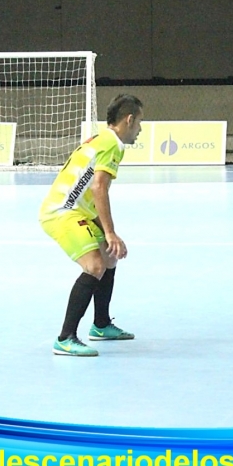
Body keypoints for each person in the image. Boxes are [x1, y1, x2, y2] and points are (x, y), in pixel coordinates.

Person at [39, 93, 144, 356]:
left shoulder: (101, 139)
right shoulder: (114, 144)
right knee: (95, 266)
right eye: (140, 123)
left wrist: (110, 235)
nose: (140, 130)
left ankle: (100, 325)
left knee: (109, 257)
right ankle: (65, 338)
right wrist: (109, 231)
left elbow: (88, 190)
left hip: (77, 209)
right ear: (129, 120)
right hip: (61, 212)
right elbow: (99, 187)